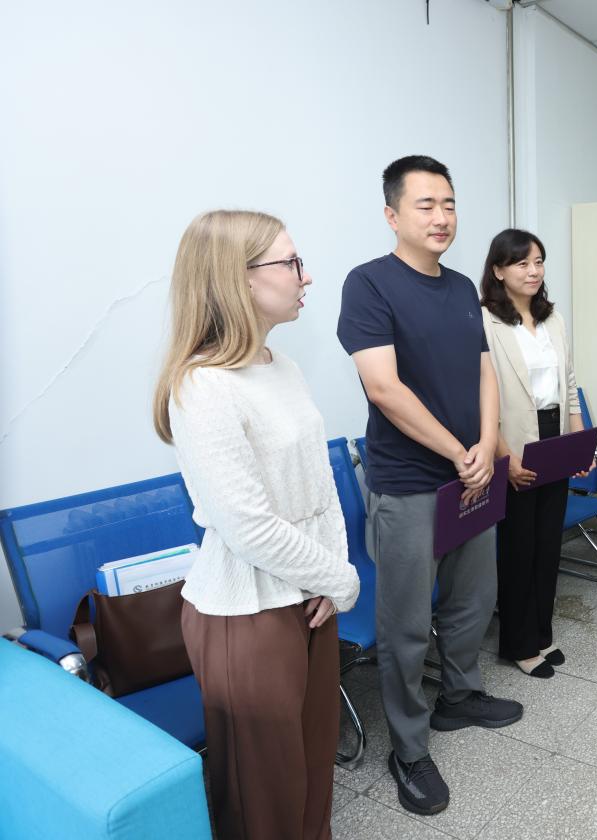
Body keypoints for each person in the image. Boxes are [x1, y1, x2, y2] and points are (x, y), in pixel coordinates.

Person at [154, 210, 360, 840]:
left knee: (313, 766)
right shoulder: (203, 387)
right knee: (264, 794)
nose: (306, 275)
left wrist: (332, 577)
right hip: (246, 613)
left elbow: (320, 488)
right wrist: (340, 577)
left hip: (312, 598)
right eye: (291, 262)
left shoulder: (282, 365)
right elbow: (248, 526)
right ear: (237, 277)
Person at [337, 155, 522, 818]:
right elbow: (384, 389)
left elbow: (484, 372)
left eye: (448, 203)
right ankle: (408, 749)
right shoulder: (368, 285)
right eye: (426, 205)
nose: (442, 216)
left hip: (472, 474)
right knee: (407, 624)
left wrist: (486, 446)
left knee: (473, 599)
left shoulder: (462, 288)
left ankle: (459, 696)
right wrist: (457, 453)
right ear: (392, 214)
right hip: (411, 483)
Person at [479, 228, 585, 679]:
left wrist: (579, 439)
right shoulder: (486, 321)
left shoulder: (552, 318)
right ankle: (518, 644)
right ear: (499, 270)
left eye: (538, 261)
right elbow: (481, 397)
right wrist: (504, 458)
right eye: (521, 263)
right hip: (511, 439)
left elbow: (569, 383)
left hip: (553, 435)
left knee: (547, 544)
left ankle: (542, 632)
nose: (533, 271)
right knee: (518, 549)